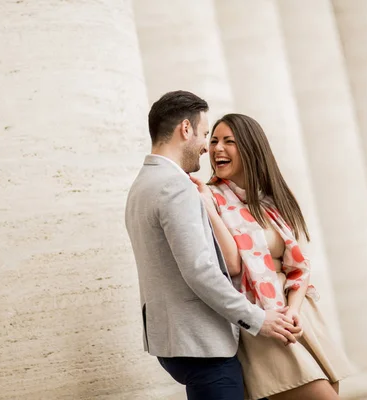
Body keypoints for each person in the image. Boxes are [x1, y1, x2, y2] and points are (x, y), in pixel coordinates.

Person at [124, 91, 301, 400]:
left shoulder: (142, 184)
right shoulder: (175, 186)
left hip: (173, 340)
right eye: (206, 134)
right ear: (185, 129)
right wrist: (258, 320)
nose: (207, 147)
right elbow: (199, 270)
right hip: (203, 344)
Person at [191, 113, 353, 400]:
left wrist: (294, 308)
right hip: (263, 319)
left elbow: (299, 265)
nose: (217, 149)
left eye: (229, 141)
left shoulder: (270, 200)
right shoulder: (210, 196)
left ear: (251, 149)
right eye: (214, 140)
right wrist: (210, 209)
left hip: (297, 314)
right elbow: (232, 264)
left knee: (331, 390)